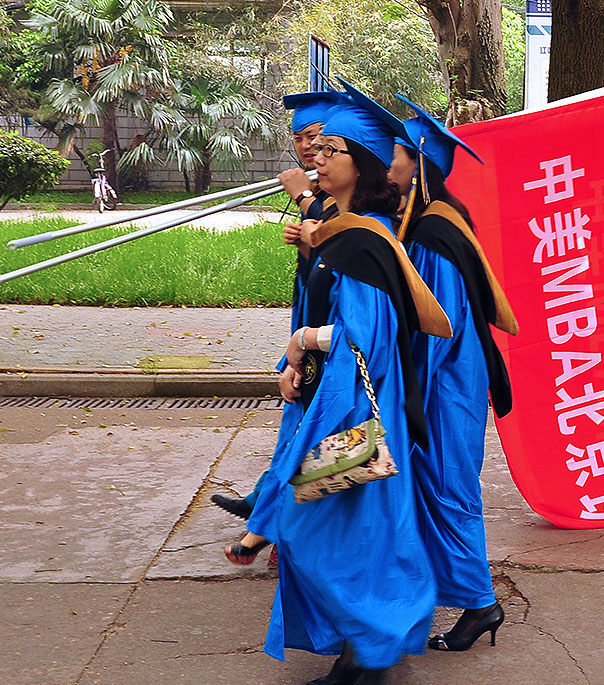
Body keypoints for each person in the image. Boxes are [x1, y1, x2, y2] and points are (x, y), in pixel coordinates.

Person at [228, 81, 454, 684]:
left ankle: (379, 636)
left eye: (331, 150)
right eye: (317, 148)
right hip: (343, 400)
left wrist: (302, 343)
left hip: (355, 408)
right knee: (360, 528)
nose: (317, 158)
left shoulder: (364, 238)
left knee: (316, 526)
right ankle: (366, 652)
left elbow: (366, 337)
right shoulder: (346, 228)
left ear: (363, 164)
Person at [387, 95, 518, 653]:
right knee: (438, 489)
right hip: (449, 382)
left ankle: (480, 602)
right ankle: (454, 595)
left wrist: (405, 387)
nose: (387, 166)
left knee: (449, 490)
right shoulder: (433, 219)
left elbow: (439, 327)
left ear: (419, 166)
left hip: (448, 386)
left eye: (394, 156)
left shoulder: (435, 233)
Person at [211, 89, 345, 524]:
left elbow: (349, 236)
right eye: (300, 138)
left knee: (326, 437)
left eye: (320, 140)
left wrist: (307, 200)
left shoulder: (351, 201)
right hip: (314, 318)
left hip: (338, 338)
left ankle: (274, 517)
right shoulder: (322, 190)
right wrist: (307, 243)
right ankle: (269, 507)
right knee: (301, 420)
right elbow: (323, 257)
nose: (310, 149)